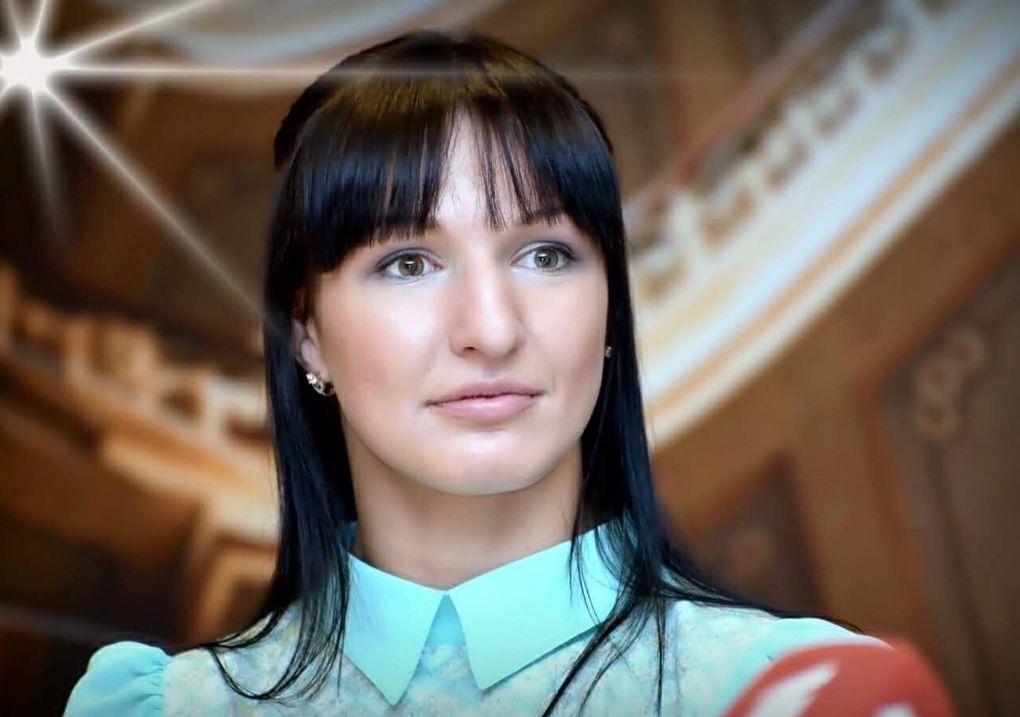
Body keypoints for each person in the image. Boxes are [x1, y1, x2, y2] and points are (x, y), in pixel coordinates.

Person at [64, 31, 888, 716]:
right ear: (307, 334)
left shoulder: (801, 694)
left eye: (545, 254)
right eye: (408, 263)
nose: (491, 330)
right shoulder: (167, 708)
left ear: (610, 312)